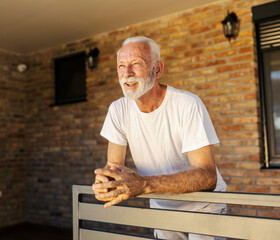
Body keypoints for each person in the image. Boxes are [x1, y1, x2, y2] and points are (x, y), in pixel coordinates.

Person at [92, 36, 227, 240]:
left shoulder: (187, 104)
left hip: (204, 205)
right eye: (121, 65)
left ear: (157, 69)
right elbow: (114, 168)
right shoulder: (118, 110)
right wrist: (107, 183)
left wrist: (144, 185)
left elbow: (208, 177)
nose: (127, 73)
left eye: (136, 64)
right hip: (161, 204)